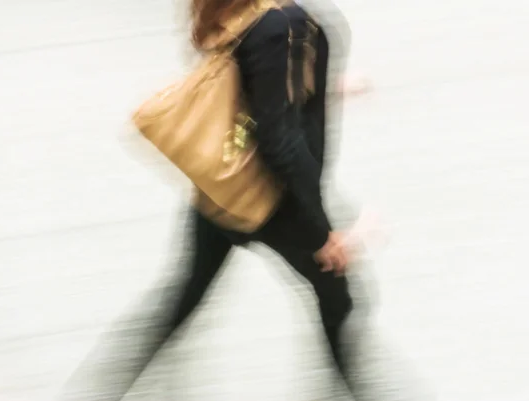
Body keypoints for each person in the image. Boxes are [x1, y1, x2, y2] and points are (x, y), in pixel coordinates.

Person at [60, 1, 375, 400]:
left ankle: (101, 390)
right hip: (275, 203)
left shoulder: (244, 12)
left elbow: (257, 89)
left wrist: (327, 86)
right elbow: (280, 142)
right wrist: (321, 233)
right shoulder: (283, 21)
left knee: (180, 301)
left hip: (222, 191)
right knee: (339, 302)